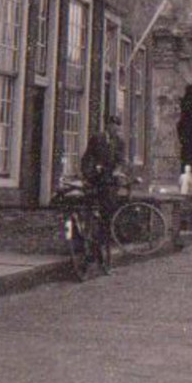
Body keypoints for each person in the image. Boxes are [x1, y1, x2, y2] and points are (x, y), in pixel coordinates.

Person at [80, 115, 126, 272]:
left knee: (107, 217)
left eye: (118, 127)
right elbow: (87, 158)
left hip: (110, 183)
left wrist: (117, 171)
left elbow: (121, 160)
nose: (116, 129)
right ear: (107, 125)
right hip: (95, 180)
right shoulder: (97, 138)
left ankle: (101, 250)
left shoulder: (119, 142)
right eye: (113, 126)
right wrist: (88, 174)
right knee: (90, 214)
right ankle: (90, 244)